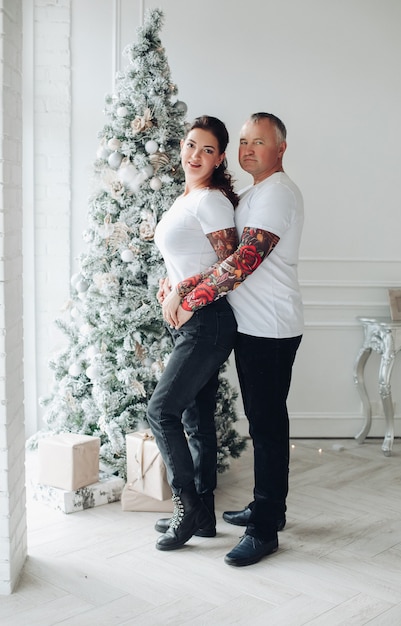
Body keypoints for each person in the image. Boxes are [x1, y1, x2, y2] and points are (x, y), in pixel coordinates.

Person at [162, 112, 304, 566]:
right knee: (262, 422)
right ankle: (270, 510)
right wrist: (183, 286)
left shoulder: (278, 193)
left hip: (271, 326)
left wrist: (189, 297)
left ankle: (264, 531)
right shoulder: (253, 194)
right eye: (243, 141)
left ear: (280, 148)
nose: (247, 149)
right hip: (249, 324)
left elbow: (244, 261)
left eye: (257, 142)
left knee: (266, 426)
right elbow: (216, 257)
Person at [147, 115, 239, 551]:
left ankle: (186, 507)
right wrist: (172, 284)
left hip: (209, 322)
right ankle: (202, 516)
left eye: (207, 149)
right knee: (194, 418)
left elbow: (230, 267)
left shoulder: (212, 201)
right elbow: (187, 259)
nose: (195, 155)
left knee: (161, 411)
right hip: (191, 322)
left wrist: (184, 293)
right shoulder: (185, 199)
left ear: (219, 158)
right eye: (190, 145)